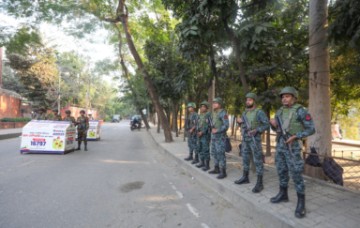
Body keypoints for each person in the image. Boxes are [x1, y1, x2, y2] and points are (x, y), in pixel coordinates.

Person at [269, 86, 315, 219]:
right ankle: (283, 194)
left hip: (293, 148)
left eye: (287, 96)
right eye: (283, 97)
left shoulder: (301, 111)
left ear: (294, 98)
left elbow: (311, 129)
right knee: (281, 170)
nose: (284, 98)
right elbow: (276, 130)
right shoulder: (279, 111)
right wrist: (273, 124)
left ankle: (301, 203)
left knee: (296, 173)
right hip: (281, 146)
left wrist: (296, 136)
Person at [234, 93, 269, 193]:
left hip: (255, 140)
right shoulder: (245, 113)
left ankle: (260, 183)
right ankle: (245, 177)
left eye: (250, 100)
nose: (247, 101)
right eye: (246, 100)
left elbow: (266, 124)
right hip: (245, 140)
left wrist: (257, 130)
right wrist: (239, 122)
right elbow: (243, 124)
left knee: (258, 161)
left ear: (254, 101)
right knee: (245, 158)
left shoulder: (259, 112)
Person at [208, 97, 229, 179]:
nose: (214, 104)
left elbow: (226, 125)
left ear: (219, 104)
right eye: (213, 103)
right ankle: (216, 168)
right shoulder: (214, 113)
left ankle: (223, 172)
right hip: (213, 137)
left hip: (220, 137)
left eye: (216, 103)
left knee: (220, 154)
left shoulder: (223, 113)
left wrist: (217, 130)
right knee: (214, 152)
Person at [195, 101, 211, 171]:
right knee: (200, 148)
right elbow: (198, 124)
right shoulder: (200, 115)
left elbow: (208, 125)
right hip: (199, 135)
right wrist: (198, 131)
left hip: (205, 136)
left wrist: (202, 132)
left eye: (204, 107)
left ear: (207, 108)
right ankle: (202, 162)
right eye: (201, 106)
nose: (202, 108)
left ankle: (207, 165)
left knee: (206, 150)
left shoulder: (208, 115)